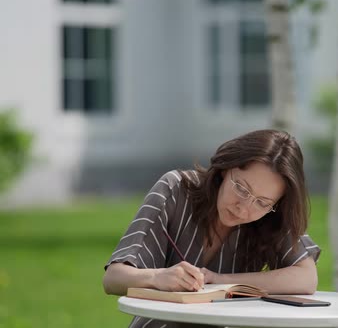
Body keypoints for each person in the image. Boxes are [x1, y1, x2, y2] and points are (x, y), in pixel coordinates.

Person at [103, 129, 321, 328]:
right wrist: (157, 277)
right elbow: (113, 278)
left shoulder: (272, 216)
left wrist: (220, 280)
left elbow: (306, 278)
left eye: (262, 202)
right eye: (242, 189)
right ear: (226, 169)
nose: (244, 208)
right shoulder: (175, 189)